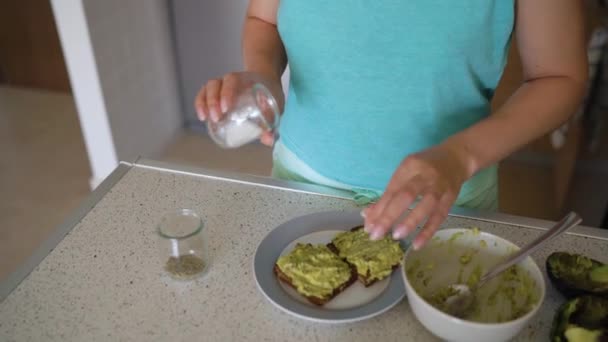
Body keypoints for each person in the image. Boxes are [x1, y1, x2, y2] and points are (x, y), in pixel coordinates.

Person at [195, 0, 587, 249]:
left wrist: (458, 157)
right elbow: (264, 17)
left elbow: (558, 77)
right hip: (300, 183)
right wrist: (263, 76)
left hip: (445, 203)